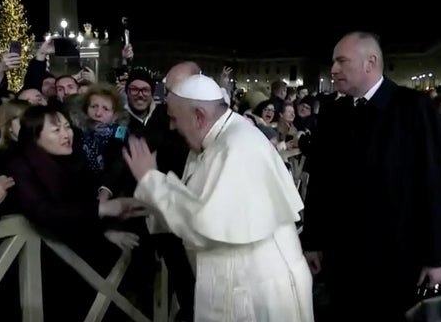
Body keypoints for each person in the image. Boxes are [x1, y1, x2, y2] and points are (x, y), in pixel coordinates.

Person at [123, 74, 313, 321]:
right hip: (246, 284)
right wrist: (148, 203)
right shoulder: (220, 138)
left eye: (174, 118)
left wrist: (150, 181)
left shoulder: (236, 146)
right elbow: (197, 201)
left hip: (256, 292)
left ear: (199, 116)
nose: (172, 126)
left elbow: (204, 226)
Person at [301, 31, 441, 320]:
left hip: (398, 259)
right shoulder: (333, 113)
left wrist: (436, 257)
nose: (333, 69)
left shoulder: (414, 108)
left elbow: (436, 184)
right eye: (333, 62)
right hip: (342, 257)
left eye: (341, 61)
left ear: (370, 62)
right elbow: (319, 184)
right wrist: (312, 241)